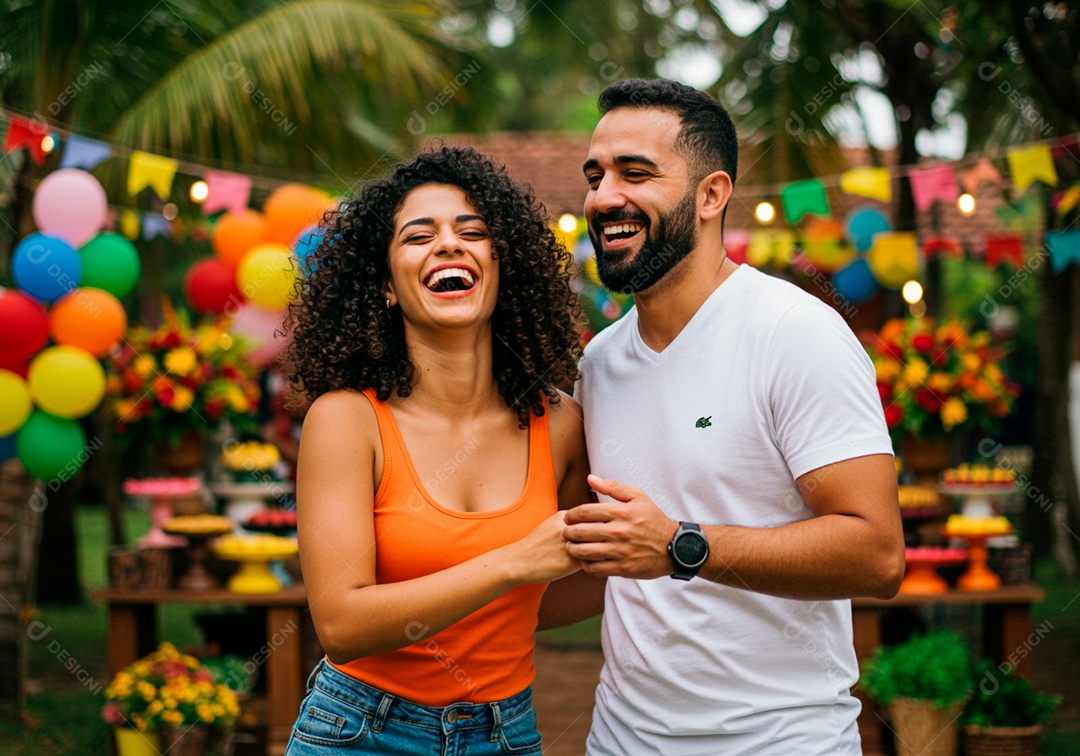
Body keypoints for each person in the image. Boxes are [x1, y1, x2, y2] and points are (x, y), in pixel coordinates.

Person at [563, 78, 906, 754]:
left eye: (636, 173)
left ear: (712, 194)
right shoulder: (599, 363)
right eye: (596, 175)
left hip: (778, 741)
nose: (604, 198)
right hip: (620, 741)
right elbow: (596, 566)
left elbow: (877, 554)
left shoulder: (793, 332)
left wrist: (679, 546)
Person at [282, 146, 602, 755]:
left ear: (502, 267)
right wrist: (511, 561)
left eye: (473, 232)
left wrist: (653, 552)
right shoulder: (348, 421)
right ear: (385, 287)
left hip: (505, 734)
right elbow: (341, 625)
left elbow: (546, 597)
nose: (450, 244)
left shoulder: (560, 423)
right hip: (360, 733)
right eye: (418, 235)